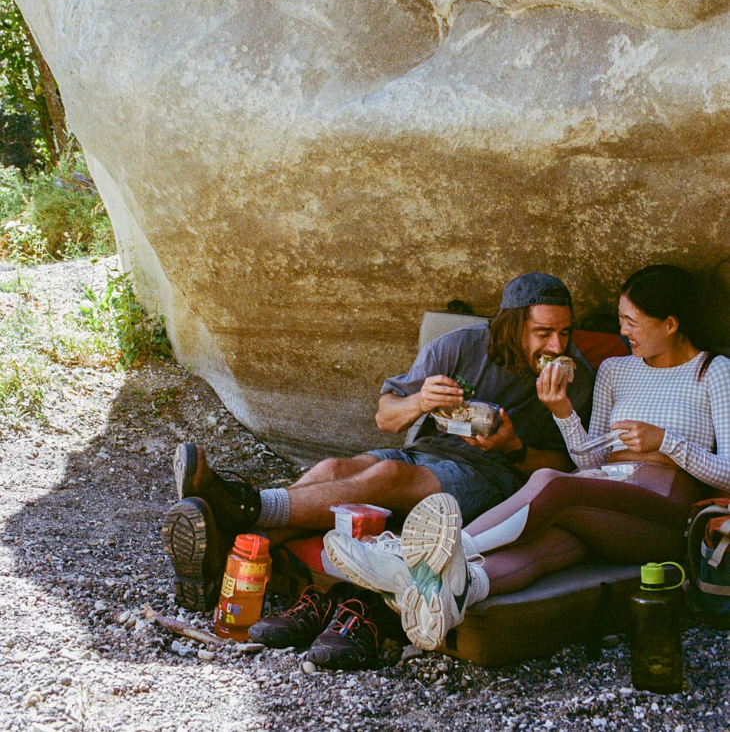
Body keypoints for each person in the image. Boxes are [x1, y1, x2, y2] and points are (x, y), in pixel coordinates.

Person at [325, 264, 730, 650]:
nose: (622, 332)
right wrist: (562, 411)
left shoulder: (715, 372)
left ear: (670, 323)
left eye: (631, 322)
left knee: (552, 484)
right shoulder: (615, 370)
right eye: (621, 320)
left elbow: (728, 475)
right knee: (539, 550)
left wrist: (666, 442)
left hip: (661, 506)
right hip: (603, 495)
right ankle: (445, 598)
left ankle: (423, 555)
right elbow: (589, 463)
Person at [162, 272, 594, 611]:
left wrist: (511, 447)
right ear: (512, 325)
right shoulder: (460, 346)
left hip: (495, 475)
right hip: (425, 453)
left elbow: (570, 469)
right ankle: (231, 550)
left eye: (565, 333)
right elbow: (386, 417)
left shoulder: (574, 377)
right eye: (543, 333)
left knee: (387, 475)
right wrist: (421, 401)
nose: (557, 345)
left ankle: (243, 504)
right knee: (334, 469)